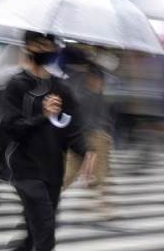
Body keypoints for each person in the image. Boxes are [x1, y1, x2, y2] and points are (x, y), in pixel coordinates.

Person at [0, 31, 94, 251]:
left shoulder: (62, 88)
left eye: (50, 46)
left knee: (34, 234)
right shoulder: (16, 85)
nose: (46, 50)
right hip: (25, 168)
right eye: (40, 45)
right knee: (45, 231)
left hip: (52, 168)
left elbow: (73, 127)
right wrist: (43, 115)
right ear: (28, 46)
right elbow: (12, 128)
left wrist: (86, 151)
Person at [63, 60, 115, 218]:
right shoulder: (81, 97)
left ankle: (104, 206)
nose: (100, 83)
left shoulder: (100, 96)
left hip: (98, 138)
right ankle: (47, 198)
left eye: (101, 80)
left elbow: (105, 119)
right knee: (69, 173)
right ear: (89, 78)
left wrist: (107, 135)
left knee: (103, 174)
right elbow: (78, 121)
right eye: (97, 79)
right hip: (83, 138)